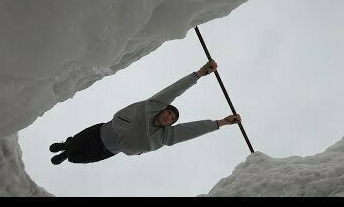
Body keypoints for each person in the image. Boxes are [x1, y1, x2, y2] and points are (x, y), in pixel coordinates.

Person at [49, 59, 242, 165]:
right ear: (163, 110)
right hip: (101, 131)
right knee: (74, 145)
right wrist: (200, 73)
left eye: (172, 119)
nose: (169, 117)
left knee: (76, 158)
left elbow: (191, 130)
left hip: (106, 150)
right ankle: (66, 146)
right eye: (169, 113)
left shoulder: (165, 136)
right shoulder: (153, 106)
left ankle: (68, 151)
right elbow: (174, 90)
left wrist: (222, 122)